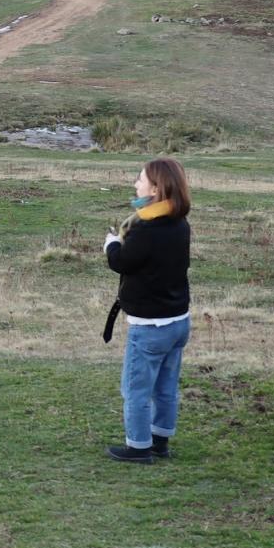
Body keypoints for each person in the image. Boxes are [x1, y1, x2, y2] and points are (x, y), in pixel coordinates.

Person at [102, 158, 192, 462]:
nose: (135, 184)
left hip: (150, 327)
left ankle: (138, 448)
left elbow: (122, 263)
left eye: (140, 179)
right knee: (165, 387)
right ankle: (160, 441)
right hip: (178, 323)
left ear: (155, 188)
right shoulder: (180, 224)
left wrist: (111, 244)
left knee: (136, 389)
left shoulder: (146, 230)